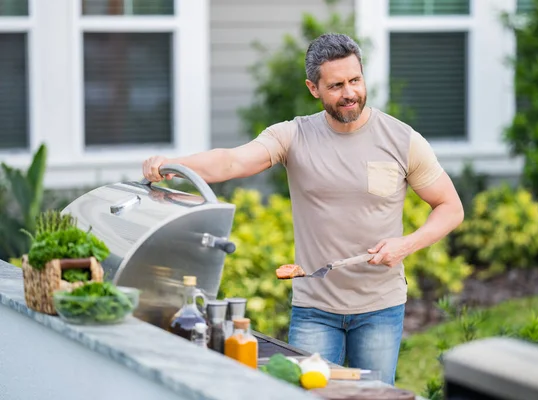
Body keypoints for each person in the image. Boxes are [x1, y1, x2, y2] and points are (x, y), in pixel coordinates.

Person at [142, 32, 464, 385]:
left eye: (355, 80)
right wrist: (173, 165)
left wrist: (406, 245)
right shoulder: (293, 136)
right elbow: (231, 162)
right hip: (314, 311)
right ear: (314, 89)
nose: (349, 93)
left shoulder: (402, 140)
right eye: (336, 85)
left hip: (380, 308)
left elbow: (450, 207)